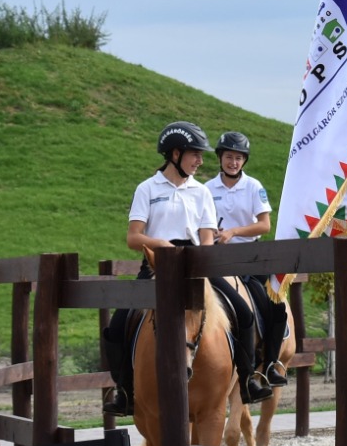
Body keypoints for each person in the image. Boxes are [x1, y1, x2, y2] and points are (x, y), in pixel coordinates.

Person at [103, 121, 270, 417]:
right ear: (175, 154)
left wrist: (200, 258)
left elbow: (207, 236)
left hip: (196, 266)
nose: (201, 160)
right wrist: (162, 245)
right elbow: (133, 237)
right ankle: (125, 391)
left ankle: (247, 380)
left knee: (243, 314)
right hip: (156, 267)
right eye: (195, 154)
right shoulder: (147, 188)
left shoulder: (201, 192)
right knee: (117, 327)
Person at [206, 131, 289, 388]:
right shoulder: (207, 189)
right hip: (218, 258)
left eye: (239, 158)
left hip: (250, 257)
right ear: (220, 158)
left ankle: (273, 362)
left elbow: (264, 225)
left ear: (244, 161)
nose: (233, 162)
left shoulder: (254, 187)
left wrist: (234, 231)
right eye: (229, 157)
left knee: (276, 306)